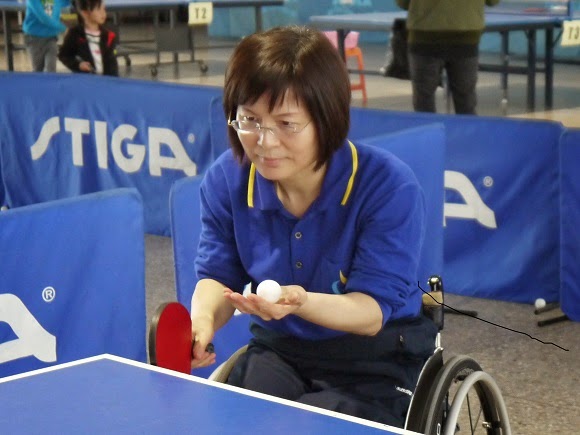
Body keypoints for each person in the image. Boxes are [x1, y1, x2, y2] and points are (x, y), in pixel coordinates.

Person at [189, 25, 437, 428]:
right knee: (238, 422)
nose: (265, 142)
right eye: (249, 119)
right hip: (282, 349)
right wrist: (202, 322)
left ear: (326, 119)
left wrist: (301, 302)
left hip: (376, 356)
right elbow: (217, 276)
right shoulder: (227, 179)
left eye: (287, 124)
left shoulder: (388, 186)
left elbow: (370, 312)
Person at [396, 0, 500, 114]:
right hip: (466, 38)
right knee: (466, 101)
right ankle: (466, 126)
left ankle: (427, 126)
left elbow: (403, 3)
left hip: (424, 37)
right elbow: (493, 1)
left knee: (424, 101)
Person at [58, 0, 118, 76]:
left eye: (104, 9)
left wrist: (114, 80)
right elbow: (64, 55)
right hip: (85, 81)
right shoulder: (75, 34)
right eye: (98, 9)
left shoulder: (109, 35)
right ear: (85, 13)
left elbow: (112, 63)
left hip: (106, 81)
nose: (103, 13)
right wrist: (78, 65)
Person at [23, 0, 70, 72]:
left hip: (51, 38)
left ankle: (50, 79)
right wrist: (62, 27)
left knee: (51, 69)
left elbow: (67, 6)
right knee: (38, 70)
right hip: (34, 38)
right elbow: (44, 18)